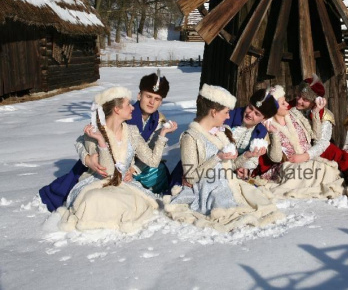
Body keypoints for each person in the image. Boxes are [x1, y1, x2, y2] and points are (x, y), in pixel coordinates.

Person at [39, 71, 175, 211]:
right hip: (103, 162)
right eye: (148, 96)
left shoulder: (158, 121)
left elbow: (151, 152)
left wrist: (133, 169)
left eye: (157, 99)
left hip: (134, 164)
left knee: (159, 171)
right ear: (139, 95)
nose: (152, 102)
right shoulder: (123, 112)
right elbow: (83, 139)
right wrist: (86, 158)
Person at [163, 84, 284, 232]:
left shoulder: (257, 129)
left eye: (257, 114)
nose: (250, 114)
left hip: (224, 173)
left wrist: (247, 159)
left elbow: (231, 163)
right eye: (250, 108)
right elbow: (200, 145)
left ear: (263, 118)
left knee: (253, 200)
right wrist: (218, 159)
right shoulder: (226, 119)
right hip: (200, 172)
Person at [58, 87, 176, 232]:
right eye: (128, 105)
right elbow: (106, 171)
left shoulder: (132, 132)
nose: (133, 107)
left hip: (124, 184)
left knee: (129, 200)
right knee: (93, 198)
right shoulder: (94, 133)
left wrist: (162, 134)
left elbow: (152, 161)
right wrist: (100, 142)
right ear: (117, 110)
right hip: (98, 183)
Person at [252, 85, 344, 199]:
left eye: (285, 101)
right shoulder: (266, 125)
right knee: (304, 173)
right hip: (288, 165)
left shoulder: (294, 114)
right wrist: (273, 134)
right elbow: (275, 158)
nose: (287, 104)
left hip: (308, 159)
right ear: (273, 107)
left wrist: (315, 112)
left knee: (326, 170)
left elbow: (316, 135)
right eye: (282, 103)